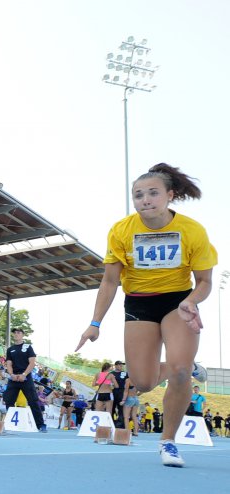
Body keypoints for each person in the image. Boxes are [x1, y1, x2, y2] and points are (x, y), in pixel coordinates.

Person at [76, 163, 217, 467]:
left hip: (178, 302)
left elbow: (205, 281)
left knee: (181, 373)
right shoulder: (121, 230)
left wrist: (191, 302)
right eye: (138, 195)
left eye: (153, 193)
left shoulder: (192, 230)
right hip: (139, 303)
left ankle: (168, 441)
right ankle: (185, 365)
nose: (145, 200)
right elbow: (109, 281)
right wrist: (94, 323)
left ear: (170, 195)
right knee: (142, 382)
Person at [2, 329, 47, 432]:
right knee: (9, 400)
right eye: (15, 332)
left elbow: (32, 363)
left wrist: (24, 374)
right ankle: (9, 423)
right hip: (14, 377)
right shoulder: (10, 349)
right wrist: (11, 374)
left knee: (33, 401)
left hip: (25, 377)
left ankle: (40, 425)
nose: (16, 334)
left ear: (23, 335)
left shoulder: (28, 347)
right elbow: (9, 364)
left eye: (19, 332)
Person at [110, 360, 129, 428]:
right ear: (116, 366)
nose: (121, 366)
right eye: (119, 365)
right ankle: (111, 423)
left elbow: (129, 382)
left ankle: (120, 424)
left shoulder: (125, 373)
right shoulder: (111, 373)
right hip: (112, 391)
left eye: (122, 365)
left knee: (121, 409)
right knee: (111, 408)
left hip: (121, 392)